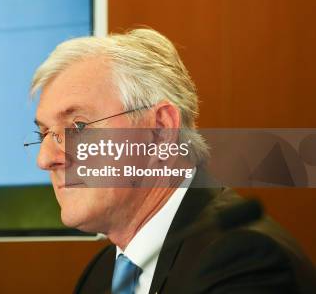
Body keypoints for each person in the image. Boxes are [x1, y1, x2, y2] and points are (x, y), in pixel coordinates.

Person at [28, 28, 316, 293]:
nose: (46, 159)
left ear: (160, 130)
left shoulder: (243, 261)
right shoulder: (100, 275)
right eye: (44, 134)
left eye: (78, 126)